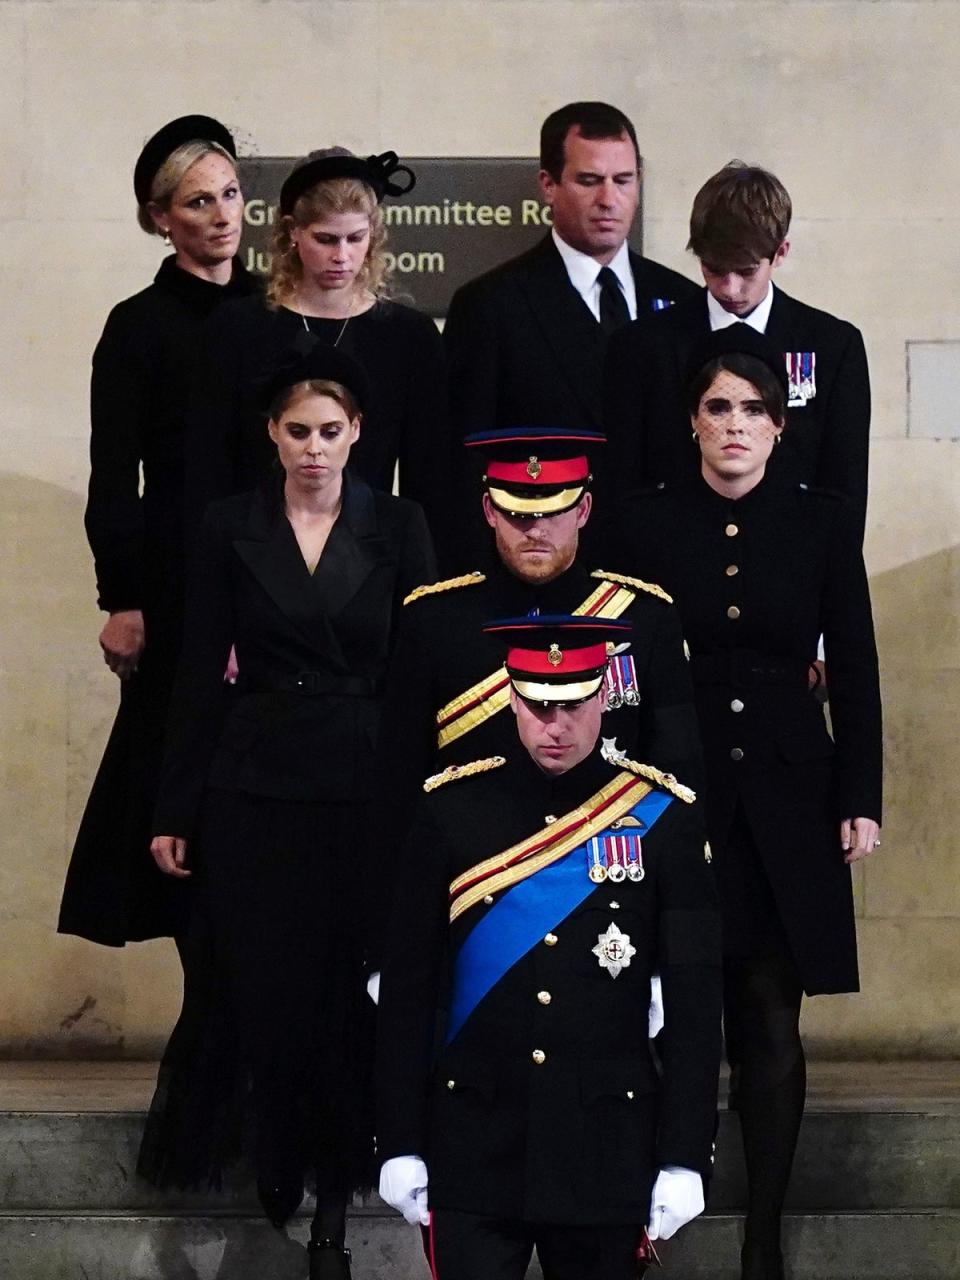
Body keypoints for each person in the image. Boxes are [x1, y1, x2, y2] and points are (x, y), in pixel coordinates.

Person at [137, 344, 435, 1280]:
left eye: (331, 431)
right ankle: (276, 1160)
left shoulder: (402, 524)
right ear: (272, 434)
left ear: (357, 436)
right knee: (264, 982)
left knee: (352, 992)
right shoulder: (232, 525)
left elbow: (427, 669)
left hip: (367, 781)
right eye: (298, 430)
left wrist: (440, 794)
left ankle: (337, 1210)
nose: (314, 447)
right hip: (254, 780)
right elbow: (196, 670)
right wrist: (174, 804)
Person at [620, 326, 883, 1280]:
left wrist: (861, 795)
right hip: (673, 788)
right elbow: (615, 664)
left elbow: (853, 664)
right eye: (719, 407)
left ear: (780, 427)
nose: (736, 426)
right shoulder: (641, 521)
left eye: (755, 411)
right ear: (693, 421)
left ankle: (763, 1240)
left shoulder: (819, 522)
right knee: (657, 1006)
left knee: (771, 1013)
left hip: (787, 787)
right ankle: (644, 1222)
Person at [376, 616, 722, 1280]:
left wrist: (685, 1153)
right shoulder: (449, 811)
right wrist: (398, 1141)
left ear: (604, 697)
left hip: (604, 1148)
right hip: (472, 1141)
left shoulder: (663, 818)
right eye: (536, 705)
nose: (553, 725)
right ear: (511, 699)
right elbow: (408, 995)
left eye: (571, 704)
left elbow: (695, 1002)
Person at [58, 114, 260, 948]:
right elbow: (115, 477)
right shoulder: (138, 325)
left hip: (282, 573)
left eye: (232, 195)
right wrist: (124, 597)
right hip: (178, 586)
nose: (222, 215)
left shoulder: (279, 312)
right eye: (198, 201)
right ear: (161, 218)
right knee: (181, 789)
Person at [369, 426, 702, 908]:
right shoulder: (434, 620)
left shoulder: (643, 619)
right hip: (474, 898)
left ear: (584, 509)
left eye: (554, 511)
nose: (537, 530)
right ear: (489, 510)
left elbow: (677, 780)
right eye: (518, 514)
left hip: (605, 900)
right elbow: (397, 788)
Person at [443, 101, 699, 561]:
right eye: (588, 180)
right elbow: (461, 467)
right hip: (543, 568)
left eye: (623, 181)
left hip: (663, 567)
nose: (609, 199)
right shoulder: (491, 305)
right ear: (548, 184)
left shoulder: (682, 298)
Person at [183, 146, 448, 543]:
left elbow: (428, 477)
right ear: (293, 232)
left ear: (373, 235)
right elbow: (209, 467)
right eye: (325, 239)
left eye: (355, 238)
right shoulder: (238, 328)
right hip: (256, 553)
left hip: (372, 556)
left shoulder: (409, 336)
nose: (342, 256)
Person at [605, 160, 872, 537]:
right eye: (714, 269)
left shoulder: (831, 345)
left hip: (790, 563)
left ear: (780, 253)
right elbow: (623, 487)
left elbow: (844, 491)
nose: (729, 289)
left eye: (746, 271)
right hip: (672, 562)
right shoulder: (642, 347)